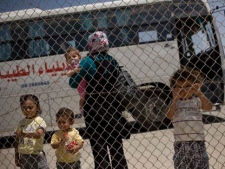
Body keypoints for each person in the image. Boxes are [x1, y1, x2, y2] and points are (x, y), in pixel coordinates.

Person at [69, 31, 131, 169]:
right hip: (112, 108)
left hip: (94, 112)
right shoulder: (112, 60)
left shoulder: (87, 61)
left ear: (91, 44)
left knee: (99, 149)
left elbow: (73, 83)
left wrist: (74, 72)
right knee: (116, 148)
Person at [166, 67, 213, 169]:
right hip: (180, 144)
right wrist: (174, 99)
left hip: (198, 142)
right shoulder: (176, 103)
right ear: (174, 89)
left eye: (188, 86)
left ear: (194, 86)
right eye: (179, 87)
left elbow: (209, 107)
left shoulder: (196, 100)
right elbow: (169, 115)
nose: (184, 90)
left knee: (201, 165)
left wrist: (199, 93)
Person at [14, 94, 49, 169]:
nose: (27, 110)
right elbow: (17, 141)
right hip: (23, 155)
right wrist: (16, 156)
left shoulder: (39, 120)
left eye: (30, 107)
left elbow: (38, 134)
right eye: (24, 108)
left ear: (38, 108)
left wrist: (24, 134)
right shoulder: (21, 123)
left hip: (36, 154)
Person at [64, 47, 86, 114]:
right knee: (83, 97)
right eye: (69, 58)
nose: (72, 59)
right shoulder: (70, 67)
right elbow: (68, 74)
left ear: (79, 57)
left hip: (86, 81)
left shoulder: (82, 63)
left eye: (74, 56)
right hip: (80, 85)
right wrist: (74, 70)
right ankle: (81, 108)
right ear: (67, 61)